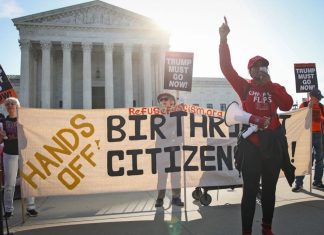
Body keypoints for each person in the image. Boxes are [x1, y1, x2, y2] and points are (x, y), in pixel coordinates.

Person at [219, 17, 295, 235]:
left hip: (272, 145)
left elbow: (287, 104)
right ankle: (246, 231)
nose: (261, 68)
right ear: (250, 70)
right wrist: (223, 39)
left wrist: (270, 86)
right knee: (250, 191)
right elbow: (226, 67)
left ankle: (267, 228)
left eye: (265, 65)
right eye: (257, 66)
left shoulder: (275, 86)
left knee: (270, 190)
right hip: (251, 145)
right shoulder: (244, 86)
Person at [0, 97, 38, 218]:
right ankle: (8, 209)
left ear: (17, 106)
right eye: (8, 104)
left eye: (13, 103)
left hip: (24, 153)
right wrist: (2, 135)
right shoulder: (2, 122)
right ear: (6, 107)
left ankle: (31, 207)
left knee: (28, 181)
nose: (10, 105)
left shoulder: (24, 121)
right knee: (9, 183)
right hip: (9, 153)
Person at [155, 92, 184, 207]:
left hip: (175, 148)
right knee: (162, 174)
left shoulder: (178, 113)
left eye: (165, 99)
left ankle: (176, 198)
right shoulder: (156, 114)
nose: (162, 101)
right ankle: (160, 198)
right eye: (161, 99)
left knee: (176, 174)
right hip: (161, 149)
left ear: (172, 101)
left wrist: (181, 110)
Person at [292, 88, 324, 192]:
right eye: (317, 98)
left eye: (319, 99)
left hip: (318, 135)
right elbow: (299, 119)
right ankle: (299, 183)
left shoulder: (321, 106)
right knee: (304, 160)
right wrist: (308, 109)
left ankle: (317, 182)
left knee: (319, 160)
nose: (318, 100)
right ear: (312, 97)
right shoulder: (304, 105)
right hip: (306, 135)